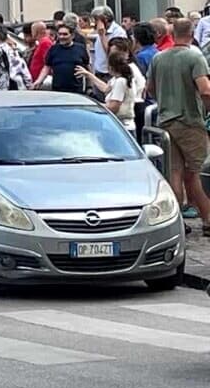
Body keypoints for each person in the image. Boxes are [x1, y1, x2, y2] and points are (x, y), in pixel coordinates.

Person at [146, 19, 210, 237]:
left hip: (165, 121)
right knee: (199, 172)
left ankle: (178, 221)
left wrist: (165, 100)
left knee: (175, 171)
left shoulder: (159, 57)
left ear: (172, 34)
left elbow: (150, 88)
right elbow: (205, 89)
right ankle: (208, 219)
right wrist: (207, 110)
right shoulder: (195, 56)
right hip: (190, 120)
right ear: (192, 33)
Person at [78, 51, 136, 126]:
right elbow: (106, 89)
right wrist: (89, 75)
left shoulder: (120, 81)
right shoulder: (115, 79)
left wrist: (94, 106)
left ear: (111, 67)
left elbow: (113, 107)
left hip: (122, 124)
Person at [33, 23, 90, 94]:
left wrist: (89, 87)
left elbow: (88, 68)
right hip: (58, 91)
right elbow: (47, 67)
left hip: (77, 91)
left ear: (72, 36)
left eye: (65, 34)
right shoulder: (53, 49)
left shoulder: (80, 49)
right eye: (59, 34)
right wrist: (39, 80)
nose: (62, 37)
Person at [0, 24, 30, 90]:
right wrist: (29, 84)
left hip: (4, 88)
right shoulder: (14, 50)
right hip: (19, 86)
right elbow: (23, 68)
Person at [90, 5, 127, 81]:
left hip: (110, 74)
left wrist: (102, 35)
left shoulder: (118, 32)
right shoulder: (100, 31)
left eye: (96, 20)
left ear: (105, 19)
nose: (94, 23)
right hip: (99, 71)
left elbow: (113, 54)